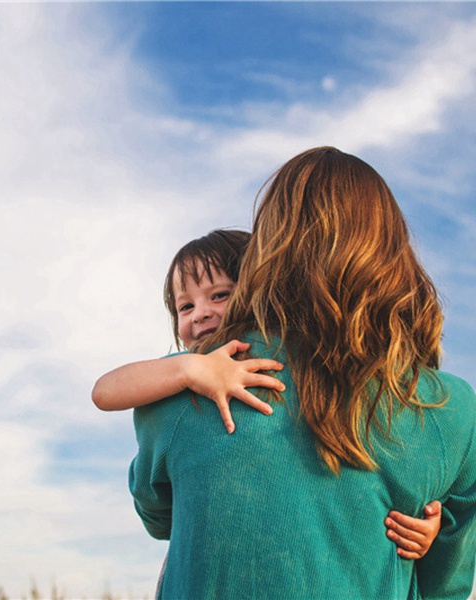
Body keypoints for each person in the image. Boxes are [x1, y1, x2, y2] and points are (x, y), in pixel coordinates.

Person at [128, 147, 476, 598]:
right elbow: (445, 586)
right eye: (186, 306)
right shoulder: (449, 409)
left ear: (266, 251)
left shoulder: (184, 383)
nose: (199, 314)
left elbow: (159, 517)